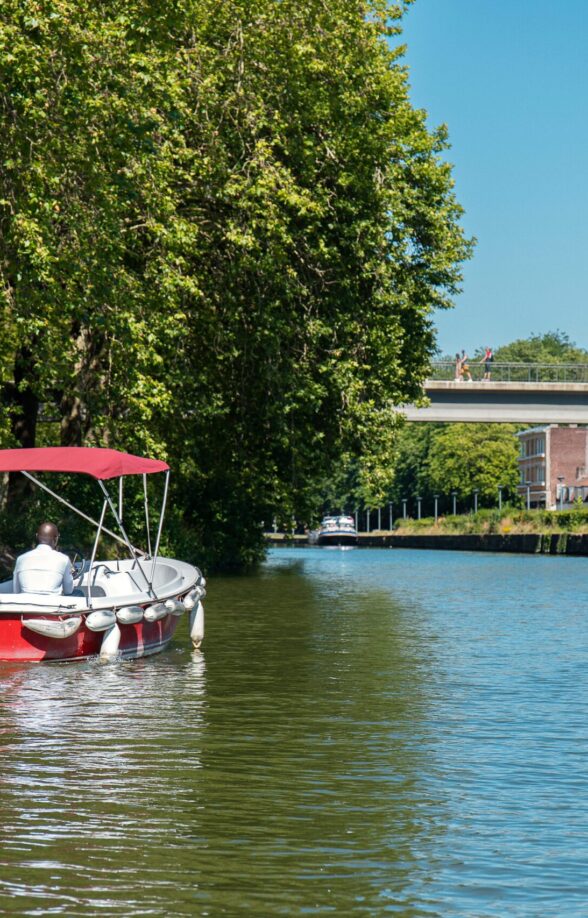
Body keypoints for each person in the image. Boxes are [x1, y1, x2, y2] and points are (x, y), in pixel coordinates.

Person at [13, 522, 74, 595]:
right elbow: (68, 590)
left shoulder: (21, 559)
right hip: (51, 604)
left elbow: (16, 591)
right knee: (78, 593)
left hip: (25, 603)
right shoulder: (64, 559)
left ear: (36, 536)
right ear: (56, 538)